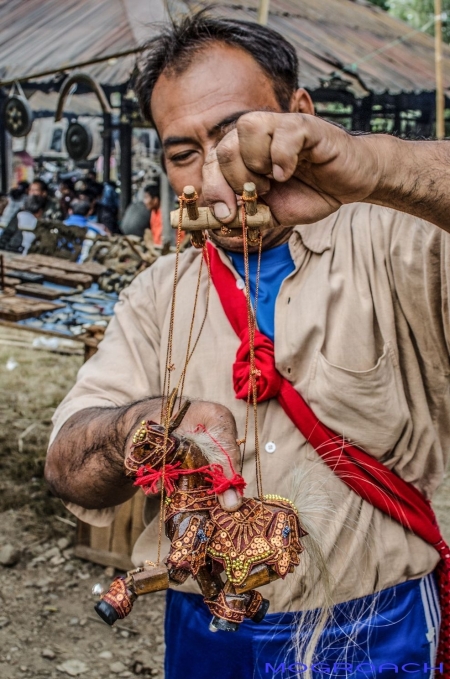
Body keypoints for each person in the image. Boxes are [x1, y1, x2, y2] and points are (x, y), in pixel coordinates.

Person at [46, 13, 450, 679]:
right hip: (210, 632)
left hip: (378, 629)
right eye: (182, 154)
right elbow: (67, 466)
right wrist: (143, 426)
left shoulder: (394, 240)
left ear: (299, 113)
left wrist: (373, 164)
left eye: (236, 135)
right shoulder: (156, 296)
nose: (212, 180)